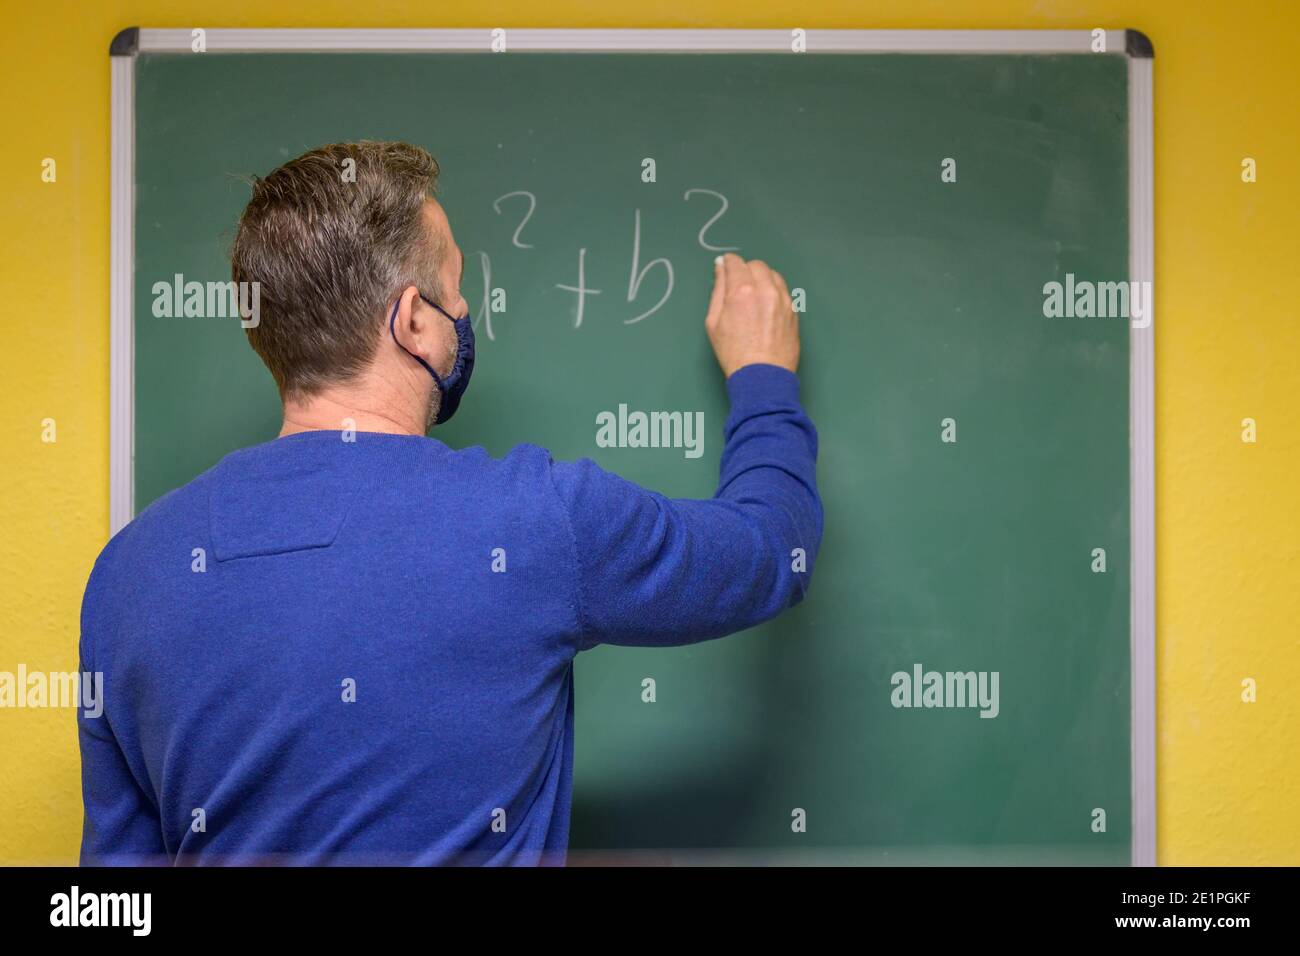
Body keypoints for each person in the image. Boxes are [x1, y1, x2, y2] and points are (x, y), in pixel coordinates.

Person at [78, 141, 822, 865]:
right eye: (455, 288)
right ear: (412, 321)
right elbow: (770, 553)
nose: (464, 310)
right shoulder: (539, 520)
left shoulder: (127, 576)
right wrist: (762, 377)